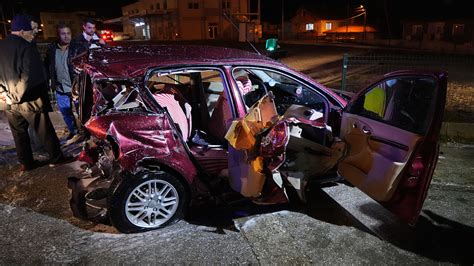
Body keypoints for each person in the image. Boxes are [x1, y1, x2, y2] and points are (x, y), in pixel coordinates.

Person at [0, 14, 65, 171]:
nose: (34, 33)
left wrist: (3, 94)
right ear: (22, 31)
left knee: (18, 133)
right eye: (31, 30)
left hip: (7, 101)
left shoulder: (1, 45)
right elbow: (29, 76)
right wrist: (15, 96)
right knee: (44, 129)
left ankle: (26, 162)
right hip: (29, 100)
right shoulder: (27, 47)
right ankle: (56, 158)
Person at [45, 24, 85, 145]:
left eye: (68, 33)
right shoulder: (52, 49)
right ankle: (74, 132)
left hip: (76, 87)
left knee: (82, 112)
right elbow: (48, 67)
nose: (66, 36)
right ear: (58, 35)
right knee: (66, 113)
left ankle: (86, 133)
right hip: (60, 87)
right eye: (63, 33)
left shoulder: (78, 48)